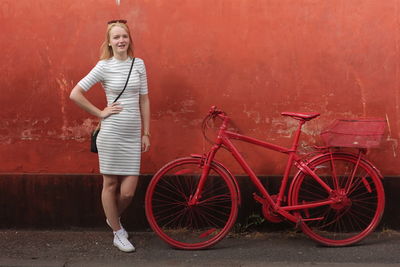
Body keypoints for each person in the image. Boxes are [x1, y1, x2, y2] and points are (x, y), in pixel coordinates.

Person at [70, 19, 150, 253]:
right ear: (109, 42)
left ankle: (111, 217)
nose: (121, 40)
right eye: (116, 37)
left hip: (132, 134)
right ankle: (118, 231)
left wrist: (146, 132)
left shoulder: (139, 64)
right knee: (111, 183)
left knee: (128, 192)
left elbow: (144, 99)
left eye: (124, 36)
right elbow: (75, 93)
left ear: (129, 39)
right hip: (111, 133)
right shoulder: (103, 66)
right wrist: (100, 112)